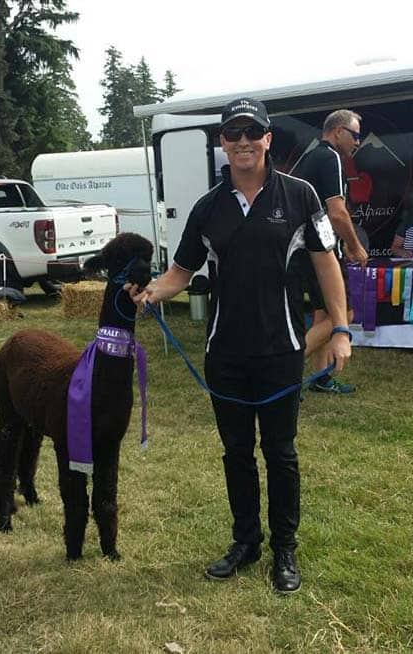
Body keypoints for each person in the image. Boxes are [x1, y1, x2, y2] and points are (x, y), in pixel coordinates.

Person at [127, 97, 351, 593]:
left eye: (253, 132)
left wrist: (340, 329)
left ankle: (285, 549)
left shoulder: (301, 195)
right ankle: (246, 542)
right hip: (225, 353)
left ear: (268, 139)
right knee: (236, 452)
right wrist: (151, 293)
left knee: (280, 452)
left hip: (281, 350)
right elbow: (180, 273)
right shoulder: (207, 207)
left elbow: (327, 265)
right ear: (223, 143)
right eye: (234, 134)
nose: (244, 141)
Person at [295, 109, 368, 394]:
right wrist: (355, 246)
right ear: (338, 132)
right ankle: (282, 370)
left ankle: (321, 378)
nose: (358, 142)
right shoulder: (330, 157)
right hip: (319, 250)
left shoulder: (313, 156)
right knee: (343, 314)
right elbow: (337, 213)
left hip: (306, 247)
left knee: (324, 314)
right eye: (355, 135)